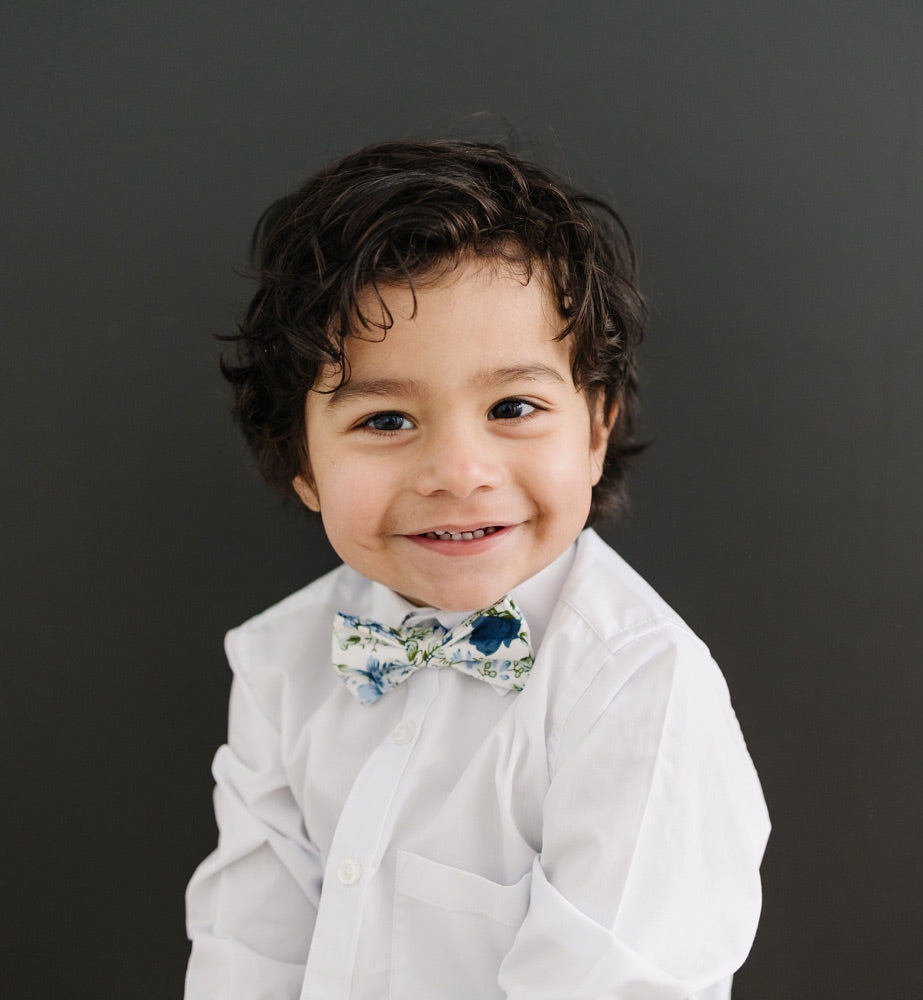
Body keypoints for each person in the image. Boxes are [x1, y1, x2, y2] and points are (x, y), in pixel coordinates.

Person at [184, 139, 770, 1000]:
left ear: (596, 427)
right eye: (385, 420)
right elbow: (247, 953)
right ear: (301, 464)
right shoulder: (282, 662)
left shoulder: (638, 688)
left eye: (513, 407)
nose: (459, 471)